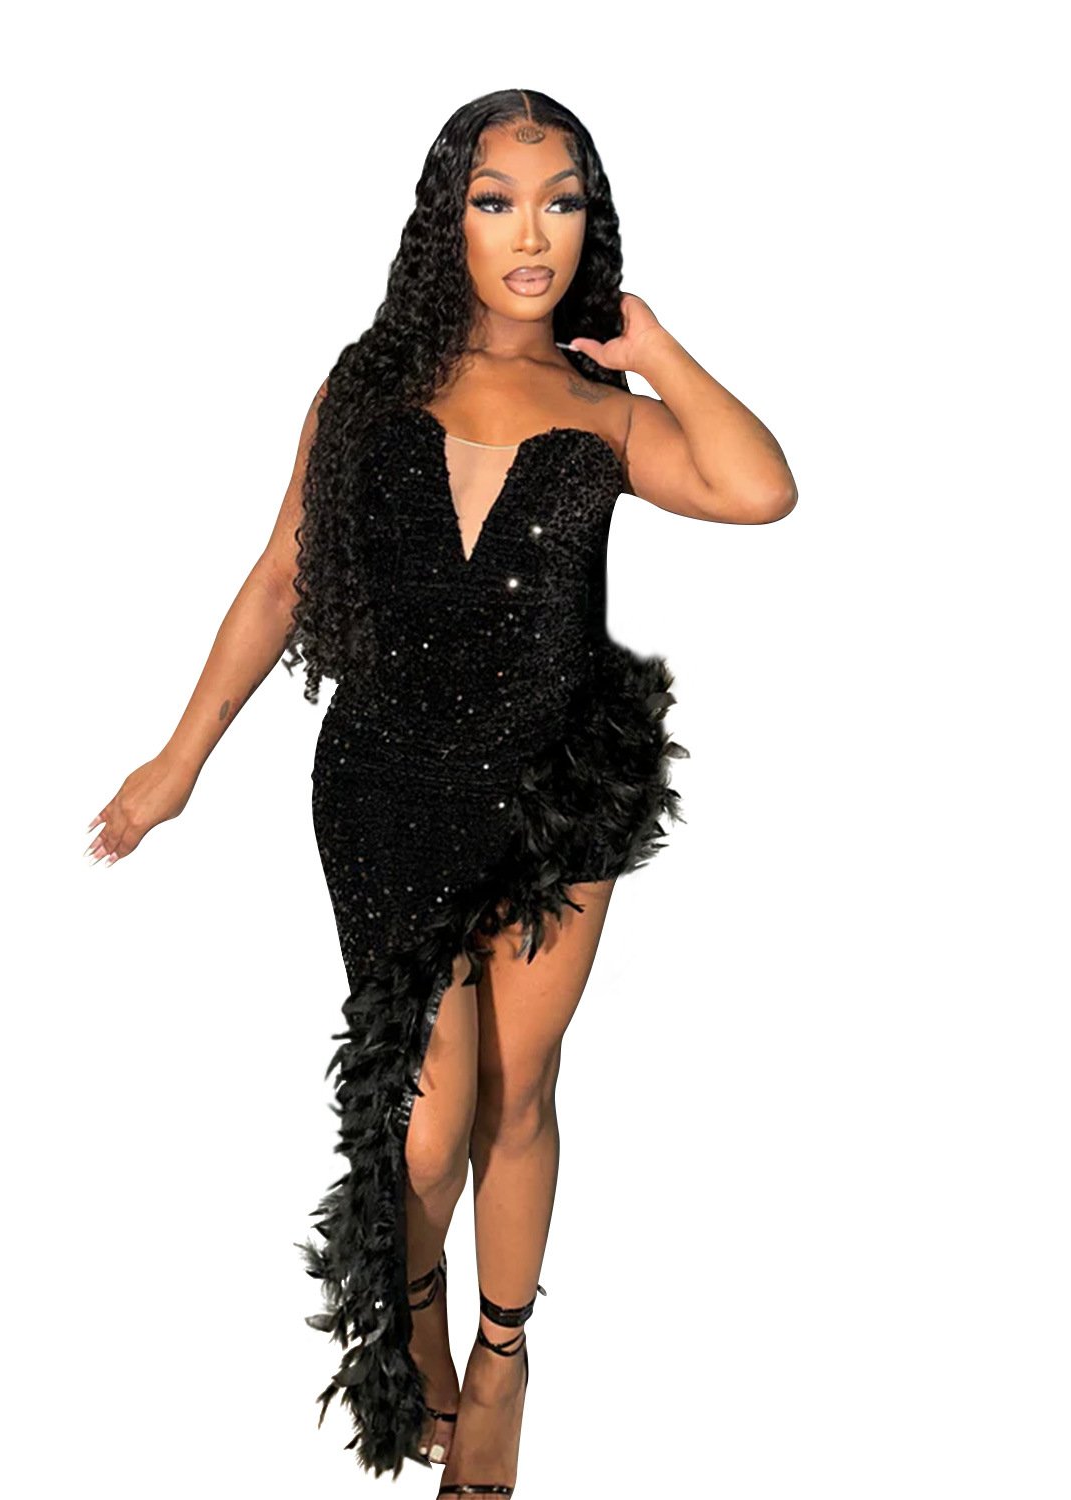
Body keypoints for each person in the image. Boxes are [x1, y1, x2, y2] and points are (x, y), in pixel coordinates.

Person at [86, 88, 796, 1497]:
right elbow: (280, 580)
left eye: (560, 202)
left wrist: (655, 347)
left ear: (590, 221)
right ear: (447, 222)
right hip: (389, 784)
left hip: (556, 790)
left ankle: (503, 1359)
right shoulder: (367, 384)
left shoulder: (606, 410)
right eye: (496, 201)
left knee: (515, 1093)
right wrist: (178, 762)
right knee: (422, 1123)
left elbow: (758, 489)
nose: (531, 234)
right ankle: (409, 1313)